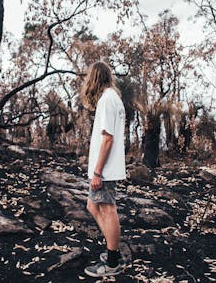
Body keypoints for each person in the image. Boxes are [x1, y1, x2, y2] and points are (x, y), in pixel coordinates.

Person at [80, 61, 126, 277]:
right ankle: (112, 248)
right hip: (106, 168)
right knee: (92, 205)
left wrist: (97, 172)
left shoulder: (107, 100)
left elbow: (107, 139)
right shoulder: (113, 99)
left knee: (107, 209)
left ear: (95, 78)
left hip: (105, 169)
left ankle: (112, 261)